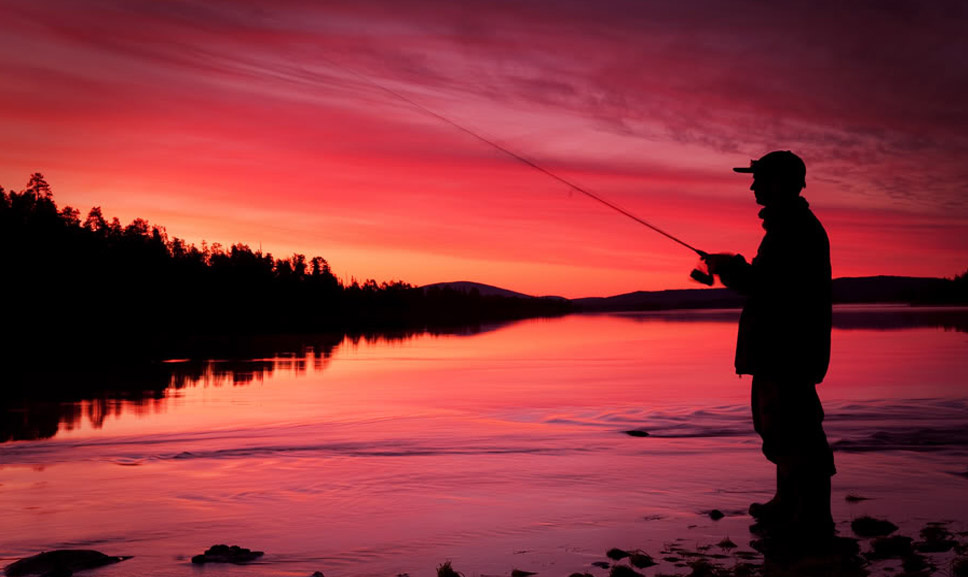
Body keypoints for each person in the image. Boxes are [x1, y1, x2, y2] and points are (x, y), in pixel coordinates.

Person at [702, 150, 835, 542]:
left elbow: (766, 285)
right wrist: (733, 266)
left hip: (787, 348)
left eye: (759, 178)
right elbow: (766, 281)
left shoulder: (794, 227)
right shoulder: (785, 225)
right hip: (779, 347)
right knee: (777, 426)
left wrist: (729, 267)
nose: (753, 185)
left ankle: (813, 515)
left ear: (779, 182)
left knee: (797, 429)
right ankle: (787, 500)